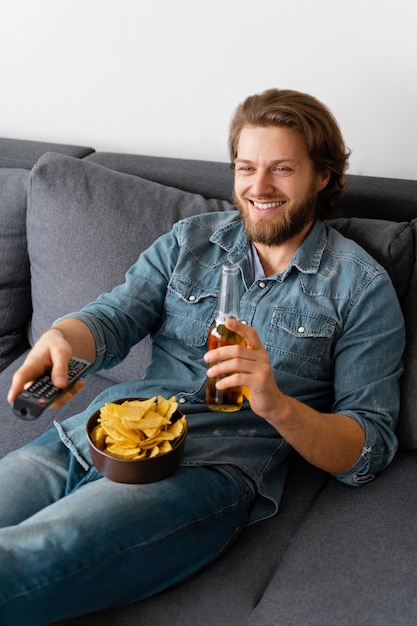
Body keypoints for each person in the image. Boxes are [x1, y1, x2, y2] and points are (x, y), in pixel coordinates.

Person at [1, 88, 404, 625]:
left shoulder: (360, 287)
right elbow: (115, 316)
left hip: (205, 470)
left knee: (18, 562)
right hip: (92, 436)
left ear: (322, 176)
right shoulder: (189, 241)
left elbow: (367, 449)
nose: (258, 187)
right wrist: (61, 338)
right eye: (246, 167)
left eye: (282, 169)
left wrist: (275, 402)